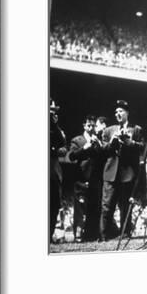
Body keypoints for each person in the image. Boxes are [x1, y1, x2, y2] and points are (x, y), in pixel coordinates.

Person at [99, 100, 145, 240]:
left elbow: (143, 146)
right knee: (107, 205)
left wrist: (130, 143)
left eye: (121, 111)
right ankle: (103, 235)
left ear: (127, 113)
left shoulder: (136, 129)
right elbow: (102, 150)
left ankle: (125, 233)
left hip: (127, 173)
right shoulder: (108, 130)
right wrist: (112, 142)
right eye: (116, 112)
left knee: (125, 205)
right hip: (111, 173)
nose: (118, 114)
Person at [68, 115, 105, 242]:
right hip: (81, 179)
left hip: (95, 179)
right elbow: (72, 156)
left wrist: (98, 144)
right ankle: (78, 235)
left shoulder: (97, 140)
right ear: (84, 126)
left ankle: (91, 234)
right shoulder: (77, 140)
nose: (91, 128)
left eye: (93, 125)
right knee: (80, 209)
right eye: (89, 125)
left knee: (94, 208)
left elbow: (101, 158)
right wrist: (85, 148)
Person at [49, 99, 67, 244]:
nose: (52, 112)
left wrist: (54, 124)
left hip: (52, 170)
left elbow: (62, 142)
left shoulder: (55, 127)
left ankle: (48, 235)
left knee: (54, 203)